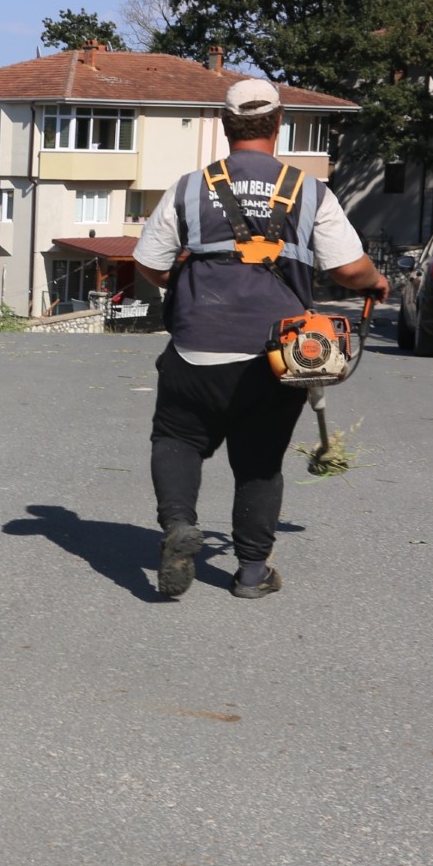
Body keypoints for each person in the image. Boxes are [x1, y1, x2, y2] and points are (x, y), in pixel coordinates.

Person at [131, 79, 389, 600]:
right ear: (278, 124)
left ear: (227, 126)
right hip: (277, 354)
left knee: (178, 439)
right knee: (259, 462)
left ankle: (180, 524)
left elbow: (148, 264)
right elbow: (346, 268)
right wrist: (376, 282)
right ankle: (251, 572)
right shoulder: (311, 190)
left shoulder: (188, 187)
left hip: (194, 346)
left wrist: (182, 281)